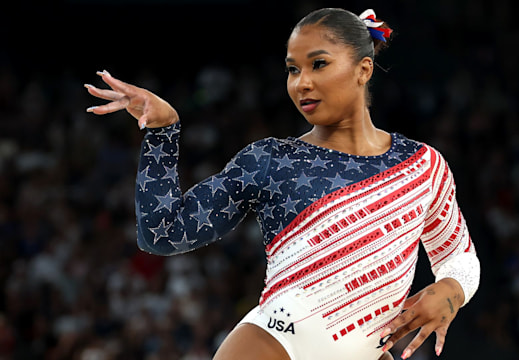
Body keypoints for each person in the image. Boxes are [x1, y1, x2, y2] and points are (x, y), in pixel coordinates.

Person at [85, 7, 480, 360]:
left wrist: (451, 291)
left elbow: (459, 259)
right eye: (293, 69)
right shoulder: (271, 160)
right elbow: (162, 233)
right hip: (277, 342)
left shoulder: (422, 165)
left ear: (363, 69)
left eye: (318, 64)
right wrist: (161, 132)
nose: (301, 83)